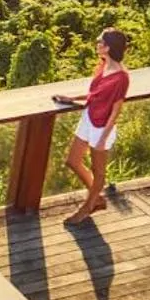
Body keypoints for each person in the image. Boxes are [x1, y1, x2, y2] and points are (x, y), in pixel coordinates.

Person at [59, 28, 129, 224]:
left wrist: (103, 138)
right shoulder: (103, 66)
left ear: (108, 47)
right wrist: (71, 98)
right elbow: (95, 95)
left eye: (100, 42)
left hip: (102, 127)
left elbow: (116, 110)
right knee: (72, 160)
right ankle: (97, 198)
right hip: (88, 118)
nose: (97, 44)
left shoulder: (122, 77)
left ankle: (87, 207)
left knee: (98, 171)